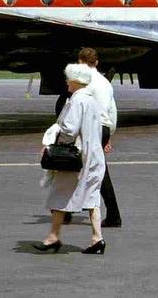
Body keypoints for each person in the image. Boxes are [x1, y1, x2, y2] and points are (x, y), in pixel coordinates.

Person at [35, 64, 107, 254]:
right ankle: (97, 238)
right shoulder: (91, 101)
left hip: (76, 158)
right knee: (92, 198)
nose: (67, 82)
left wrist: (55, 139)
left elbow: (69, 130)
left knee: (60, 193)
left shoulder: (77, 101)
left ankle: (53, 237)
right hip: (94, 155)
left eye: (69, 79)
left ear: (75, 81)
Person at [64, 48, 122, 228]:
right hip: (103, 127)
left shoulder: (82, 82)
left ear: (79, 62)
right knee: (97, 169)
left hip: (89, 128)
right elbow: (112, 111)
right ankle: (112, 214)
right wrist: (108, 135)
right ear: (96, 63)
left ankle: (66, 211)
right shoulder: (106, 83)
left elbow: (77, 107)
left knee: (72, 165)